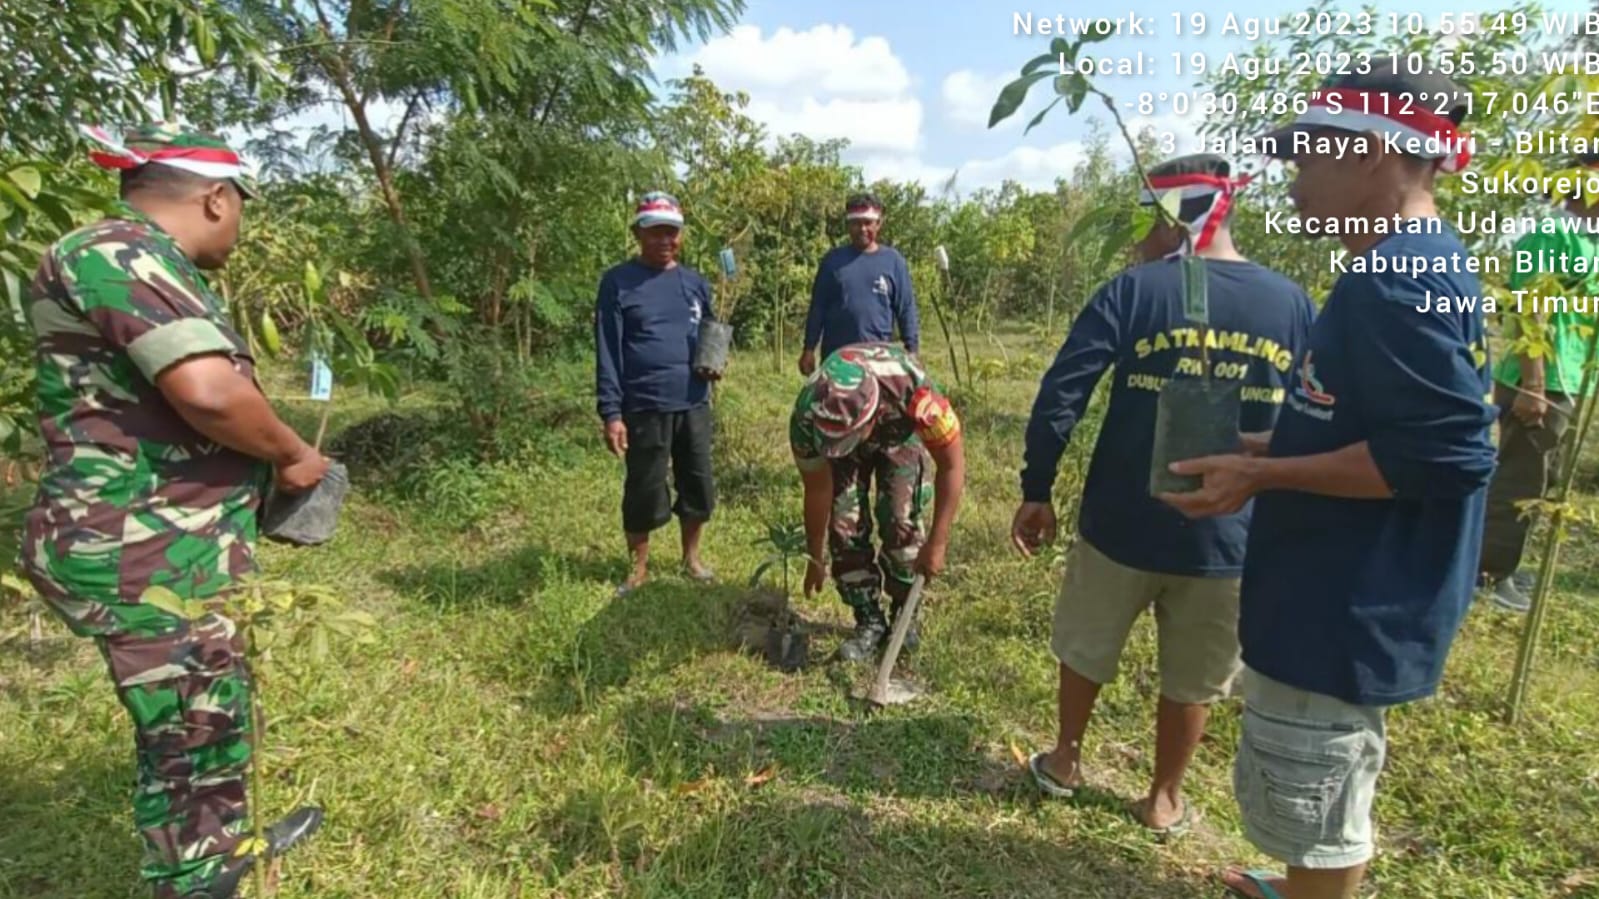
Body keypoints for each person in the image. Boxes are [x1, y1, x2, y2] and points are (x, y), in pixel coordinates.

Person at [1158, 70, 1498, 899]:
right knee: (1324, 786)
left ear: (1374, 155)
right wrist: (1265, 444)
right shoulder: (1417, 261)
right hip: (1348, 590)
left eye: (1306, 157)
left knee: (1317, 777)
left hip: (1343, 603)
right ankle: (1306, 884)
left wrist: (1264, 472)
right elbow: (1379, 422)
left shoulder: (1392, 280)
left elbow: (1445, 453)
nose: (1293, 178)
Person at [19, 124, 328, 899]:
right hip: (141, 544)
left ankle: (215, 851)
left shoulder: (133, 258)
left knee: (198, 716)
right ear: (217, 198)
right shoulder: (118, 252)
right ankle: (196, 881)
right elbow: (210, 392)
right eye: (242, 208)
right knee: (188, 728)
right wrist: (294, 455)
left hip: (170, 538)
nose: (241, 223)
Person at [1011, 154, 1316, 836]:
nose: (1134, 236)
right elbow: (1316, 413)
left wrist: (1038, 489)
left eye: (1145, 216)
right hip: (1232, 535)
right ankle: (1162, 797)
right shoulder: (1290, 304)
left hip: (1123, 520)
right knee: (1196, 671)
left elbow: (1063, 393)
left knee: (1086, 642)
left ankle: (1064, 758)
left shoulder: (1132, 291)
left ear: (1177, 216)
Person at [1476, 154, 1599, 612]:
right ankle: (1486, 574)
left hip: (1567, 382)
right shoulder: (1549, 236)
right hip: (1540, 383)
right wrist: (1533, 384)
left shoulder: (1590, 243)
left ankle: (1502, 566)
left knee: (1541, 479)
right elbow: (1530, 310)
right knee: (1520, 480)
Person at [789, 342, 964, 660]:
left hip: (900, 433)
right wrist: (815, 558)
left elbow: (951, 464)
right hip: (847, 433)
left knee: (900, 517)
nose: (837, 447)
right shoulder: (807, 416)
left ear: (869, 419)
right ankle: (868, 618)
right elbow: (817, 490)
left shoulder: (915, 390)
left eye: (845, 440)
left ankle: (904, 613)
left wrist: (937, 542)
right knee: (845, 523)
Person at [595, 191, 722, 595]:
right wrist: (611, 412)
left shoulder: (695, 283)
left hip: (694, 401)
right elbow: (607, 349)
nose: (665, 240)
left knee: (698, 483)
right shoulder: (617, 283)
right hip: (644, 404)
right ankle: (639, 568)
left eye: (672, 232)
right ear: (638, 233)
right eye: (655, 233)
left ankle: (691, 558)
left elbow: (711, 332)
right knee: (644, 488)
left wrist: (715, 359)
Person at [798, 193, 921, 376]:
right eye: (856, 223)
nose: (862, 229)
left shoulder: (893, 262)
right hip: (837, 361)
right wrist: (809, 349)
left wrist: (912, 351)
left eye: (868, 223)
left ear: (878, 224)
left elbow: (906, 309)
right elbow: (818, 308)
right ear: (848, 225)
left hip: (879, 361)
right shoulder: (832, 261)